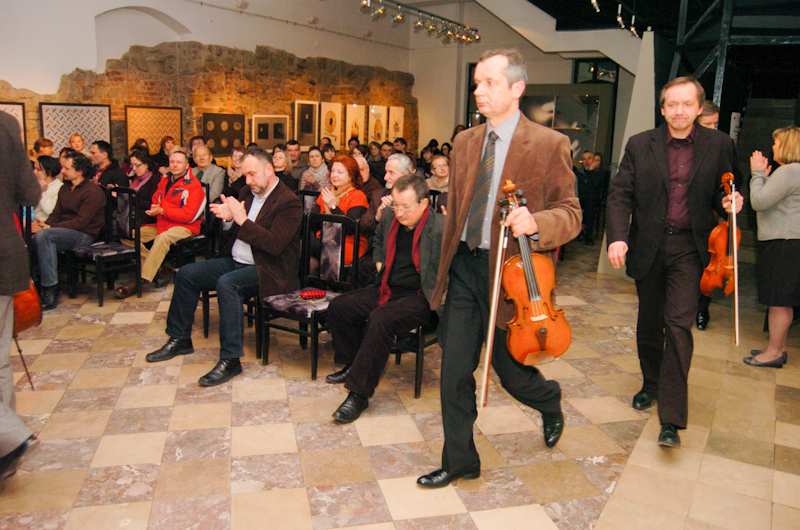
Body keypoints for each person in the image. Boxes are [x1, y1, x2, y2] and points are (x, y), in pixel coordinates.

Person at [417, 49, 581, 489]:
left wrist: (537, 222)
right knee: (454, 373)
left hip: (511, 278)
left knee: (512, 375)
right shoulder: (466, 142)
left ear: (517, 88)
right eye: (476, 82)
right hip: (465, 269)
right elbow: (459, 210)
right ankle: (460, 460)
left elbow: (571, 213)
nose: (479, 91)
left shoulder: (549, 144)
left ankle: (548, 400)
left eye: (489, 82)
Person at [605, 77, 742, 448]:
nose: (679, 111)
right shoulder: (640, 144)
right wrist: (617, 236)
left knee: (678, 325)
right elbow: (620, 195)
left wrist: (729, 202)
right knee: (650, 323)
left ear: (698, 108)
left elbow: (726, 189)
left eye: (687, 104)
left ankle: (672, 418)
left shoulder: (720, 144)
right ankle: (651, 384)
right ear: (663, 108)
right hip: (648, 246)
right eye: (672, 104)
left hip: (691, 248)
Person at [145, 147, 303, 386]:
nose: (247, 181)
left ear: (269, 170)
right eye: (245, 174)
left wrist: (242, 220)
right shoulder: (247, 193)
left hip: (268, 269)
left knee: (227, 284)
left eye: (252, 174)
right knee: (186, 274)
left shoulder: (289, 202)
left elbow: (274, 245)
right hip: (236, 261)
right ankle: (180, 339)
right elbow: (233, 235)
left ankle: (231, 360)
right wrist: (229, 221)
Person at [326, 175, 444, 422]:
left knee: (381, 319)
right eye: (396, 205)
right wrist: (379, 260)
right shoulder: (390, 217)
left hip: (421, 296)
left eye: (406, 207)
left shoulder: (440, 227)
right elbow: (378, 238)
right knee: (340, 306)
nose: (399, 213)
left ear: (424, 203)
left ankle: (358, 394)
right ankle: (354, 363)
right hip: (388, 288)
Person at [0, 111, 41, 480]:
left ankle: (11, 438)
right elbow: (29, 193)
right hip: (6, 253)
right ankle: (5, 456)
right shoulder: (6, 125)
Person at [114, 149, 205, 298]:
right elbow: (155, 199)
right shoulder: (165, 180)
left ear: (187, 165)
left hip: (186, 226)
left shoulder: (193, 185)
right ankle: (161, 269)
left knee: (163, 238)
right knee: (128, 235)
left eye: (179, 162)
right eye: (172, 162)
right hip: (164, 223)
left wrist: (162, 210)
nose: (175, 165)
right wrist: (155, 209)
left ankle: (141, 280)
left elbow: (189, 216)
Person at [744, 126, 800, 368]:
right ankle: (779, 347)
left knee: (777, 301)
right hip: (790, 242)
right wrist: (765, 179)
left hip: (783, 243)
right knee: (784, 301)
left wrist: (757, 175)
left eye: (776, 143)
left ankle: (774, 352)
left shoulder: (789, 171)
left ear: (787, 146)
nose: (773, 146)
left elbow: (759, 201)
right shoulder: (793, 171)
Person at [32, 152, 106, 310]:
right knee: (33, 234)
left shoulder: (92, 191)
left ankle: (51, 288)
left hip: (85, 234)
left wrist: (50, 228)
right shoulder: (65, 188)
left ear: (79, 171)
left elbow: (81, 222)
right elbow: (56, 214)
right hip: (66, 230)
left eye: (67, 168)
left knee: (45, 236)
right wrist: (44, 224)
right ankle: (34, 285)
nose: (62, 171)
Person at [310, 155, 369, 272]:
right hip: (324, 240)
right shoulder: (326, 193)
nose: (334, 175)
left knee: (302, 245)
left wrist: (333, 207)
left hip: (347, 244)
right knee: (305, 253)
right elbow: (312, 224)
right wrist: (325, 214)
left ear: (351, 175)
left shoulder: (358, 196)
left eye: (340, 172)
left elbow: (351, 229)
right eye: (333, 171)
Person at [695, 101, 721, 331]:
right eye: (708, 124)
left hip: (706, 223)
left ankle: (702, 308)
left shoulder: (720, 146)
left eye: (715, 124)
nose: (713, 129)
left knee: (704, 269)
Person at [575, 150, 605, 245]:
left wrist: (591, 171)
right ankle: (578, 232)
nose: (586, 161)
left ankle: (589, 235)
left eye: (589, 158)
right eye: (584, 159)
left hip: (592, 200)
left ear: (593, 160)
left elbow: (596, 184)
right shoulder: (579, 173)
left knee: (590, 205)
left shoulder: (599, 172)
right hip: (580, 199)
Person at [33, 156, 64, 221]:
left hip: (46, 223)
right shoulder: (34, 184)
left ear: (49, 172)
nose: (34, 172)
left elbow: (51, 212)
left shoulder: (59, 187)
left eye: (38, 170)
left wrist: (43, 192)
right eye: (34, 168)